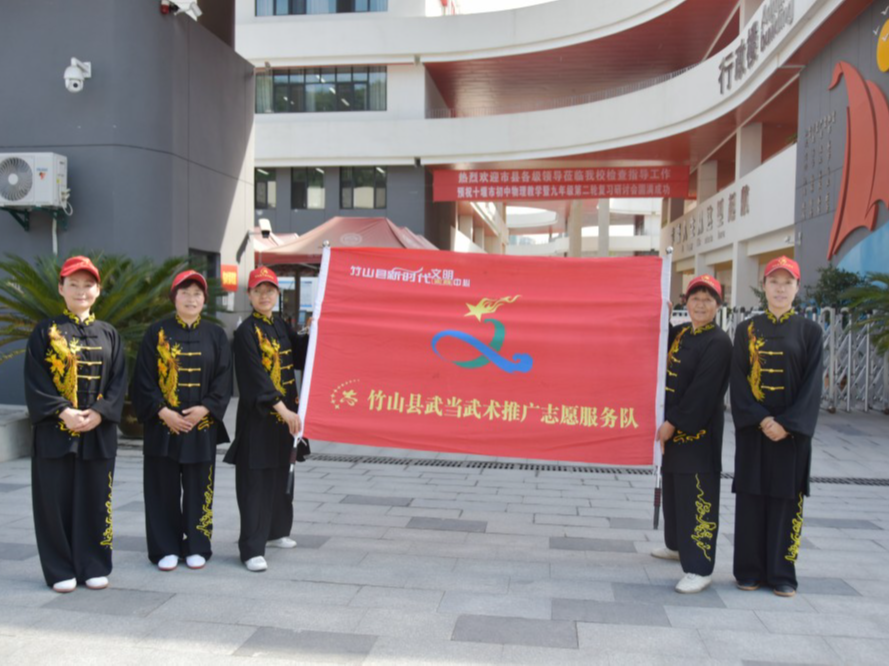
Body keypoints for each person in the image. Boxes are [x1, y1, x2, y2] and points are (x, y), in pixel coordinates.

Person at [24, 256, 126, 593]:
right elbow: (36, 381)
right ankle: (59, 569)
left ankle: (94, 564)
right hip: (56, 433)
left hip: (98, 433)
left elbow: (118, 381)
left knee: (96, 501)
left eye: (88, 285)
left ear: (98, 290)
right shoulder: (45, 331)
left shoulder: (110, 333)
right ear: (61, 288)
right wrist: (63, 411)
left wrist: (99, 413)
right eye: (74, 284)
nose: (81, 291)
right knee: (54, 503)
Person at [731, 256, 822, 597]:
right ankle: (749, 571)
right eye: (774, 281)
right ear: (764, 287)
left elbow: (813, 386)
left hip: (791, 435)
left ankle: (782, 573)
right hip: (755, 430)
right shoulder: (746, 330)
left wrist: (787, 424)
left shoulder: (810, 332)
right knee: (751, 499)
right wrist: (761, 419)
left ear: (797, 288)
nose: (780, 288)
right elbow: (738, 381)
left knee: (787, 502)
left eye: (787, 282)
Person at [132, 270, 233, 572]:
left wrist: (207, 409)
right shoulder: (156, 333)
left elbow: (224, 378)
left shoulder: (216, 335)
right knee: (161, 489)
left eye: (197, 294)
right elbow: (143, 379)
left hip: (200, 427)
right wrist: (163, 412)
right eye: (185, 292)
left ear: (205, 299)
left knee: (200, 487)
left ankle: (198, 545)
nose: (191, 298)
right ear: (173, 297)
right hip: (163, 426)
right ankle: (165, 548)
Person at [223, 266, 309, 572]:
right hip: (260, 419)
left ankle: (276, 532)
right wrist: (282, 409)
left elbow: (299, 355)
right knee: (255, 483)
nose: (264, 295)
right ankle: (251, 548)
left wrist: (313, 331)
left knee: (280, 476)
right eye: (258, 290)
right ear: (249, 294)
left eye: (269, 290)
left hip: (285, 421)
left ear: (277, 294)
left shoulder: (279, 324)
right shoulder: (246, 331)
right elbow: (254, 378)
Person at [653, 274, 732, 593]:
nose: (701, 304)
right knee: (674, 494)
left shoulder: (719, 342)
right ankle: (676, 546)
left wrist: (672, 424)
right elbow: (656, 341)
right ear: (686, 302)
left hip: (698, 435)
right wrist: (661, 314)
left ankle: (699, 567)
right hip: (671, 434)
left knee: (697, 496)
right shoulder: (683, 332)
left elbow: (703, 392)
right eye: (695, 298)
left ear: (717, 305)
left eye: (708, 299)